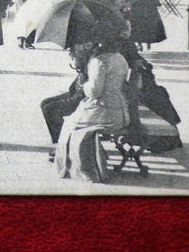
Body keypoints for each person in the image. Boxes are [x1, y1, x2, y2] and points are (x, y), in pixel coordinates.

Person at [54, 39, 131, 183]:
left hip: (103, 112)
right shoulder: (120, 58)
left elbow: (95, 91)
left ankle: (77, 165)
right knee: (74, 119)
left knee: (70, 123)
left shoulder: (99, 61)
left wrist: (84, 83)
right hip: (120, 112)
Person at [41, 43, 91, 146]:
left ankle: (64, 145)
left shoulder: (94, 55)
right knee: (44, 103)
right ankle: (61, 143)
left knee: (49, 109)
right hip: (77, 90)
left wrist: (78, 58)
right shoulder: (87, 49)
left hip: (82, 96)